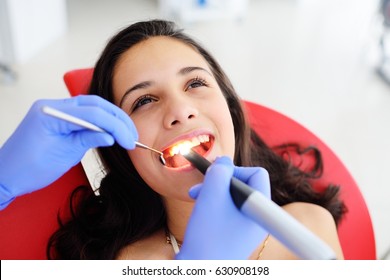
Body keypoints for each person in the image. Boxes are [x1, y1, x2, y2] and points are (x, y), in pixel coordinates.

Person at [0, 20, 346, 260]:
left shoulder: (310, 225)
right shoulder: (126, 262)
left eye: (195, 83)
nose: (180, 110)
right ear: (124, 153)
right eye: (144, 101)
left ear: (229, 108)